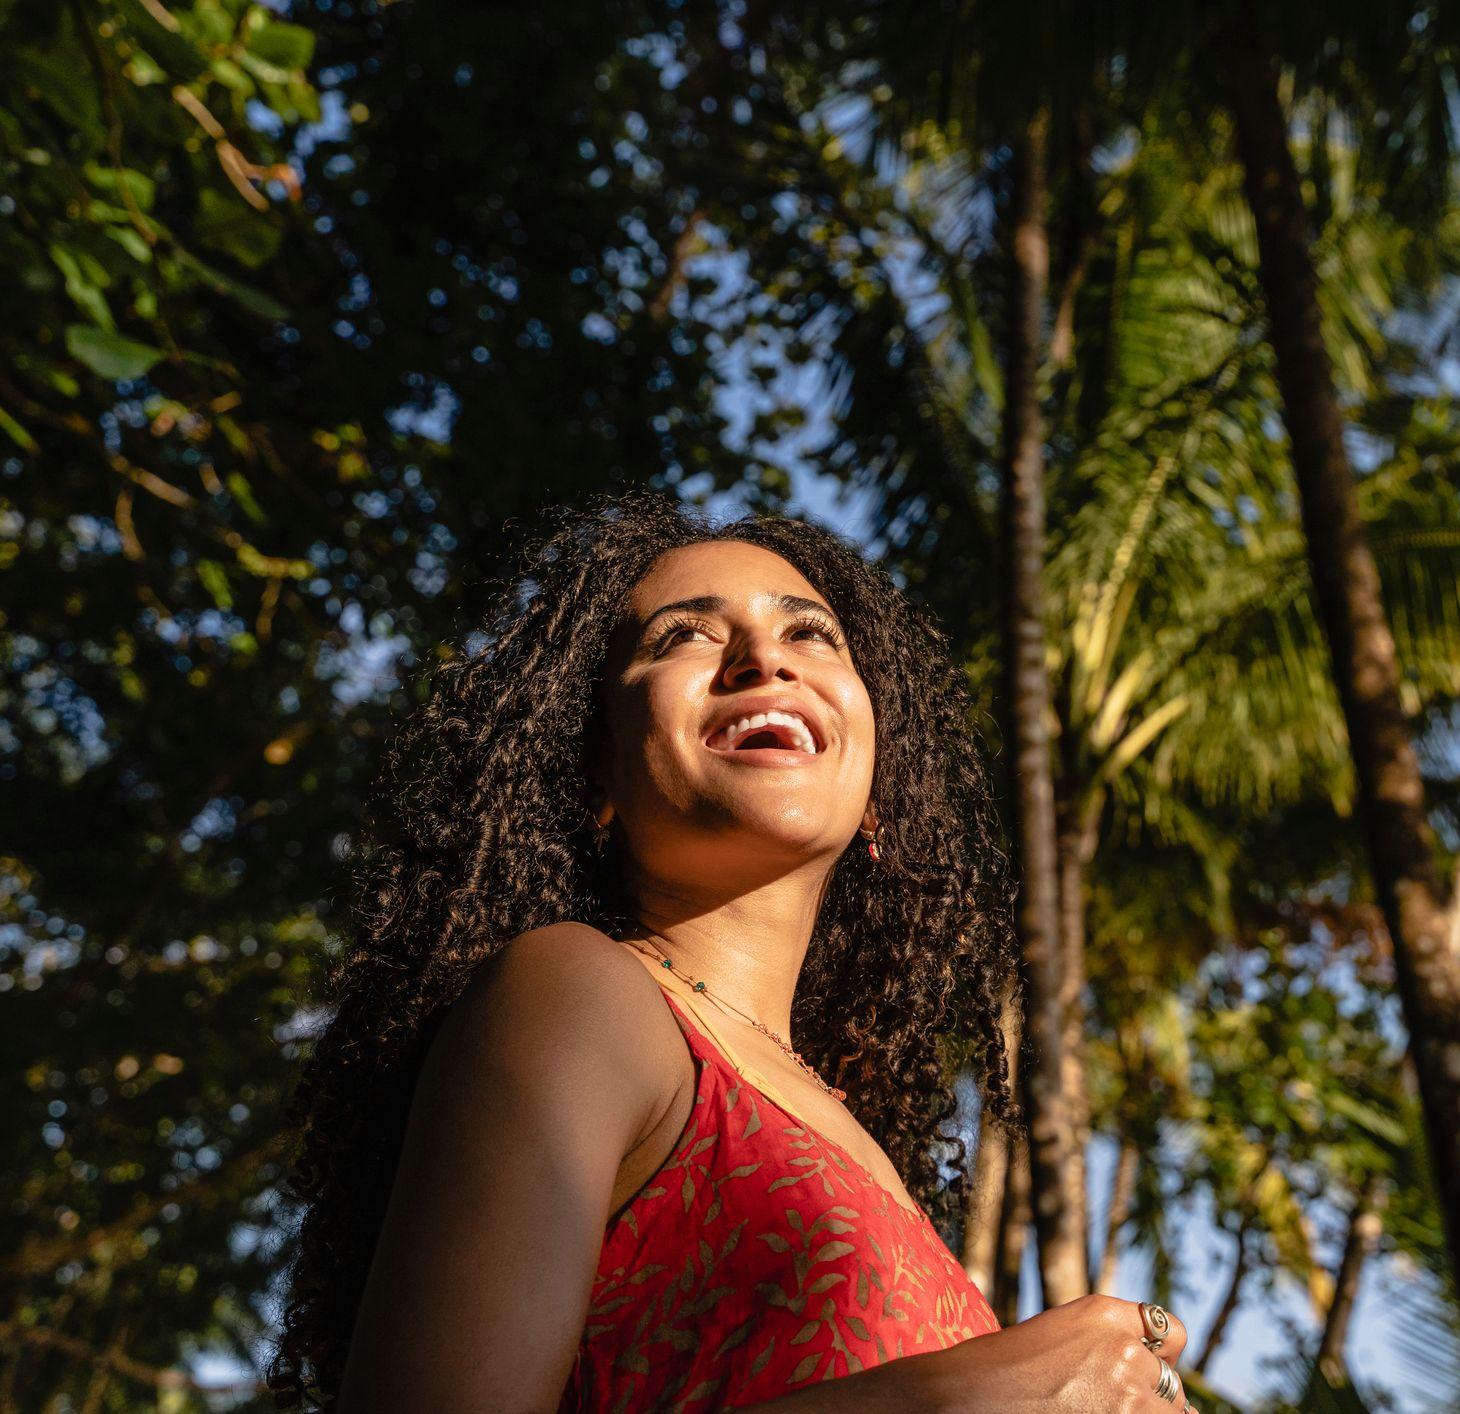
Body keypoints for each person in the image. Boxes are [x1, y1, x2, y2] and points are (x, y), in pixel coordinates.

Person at [267, 493, 1190, 1410]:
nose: (763, 660)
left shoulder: (843, 1125)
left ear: (875, 792)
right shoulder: (579, 993)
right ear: (592, 772)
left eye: (811, 636)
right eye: (682, 638)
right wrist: (955, 1397)